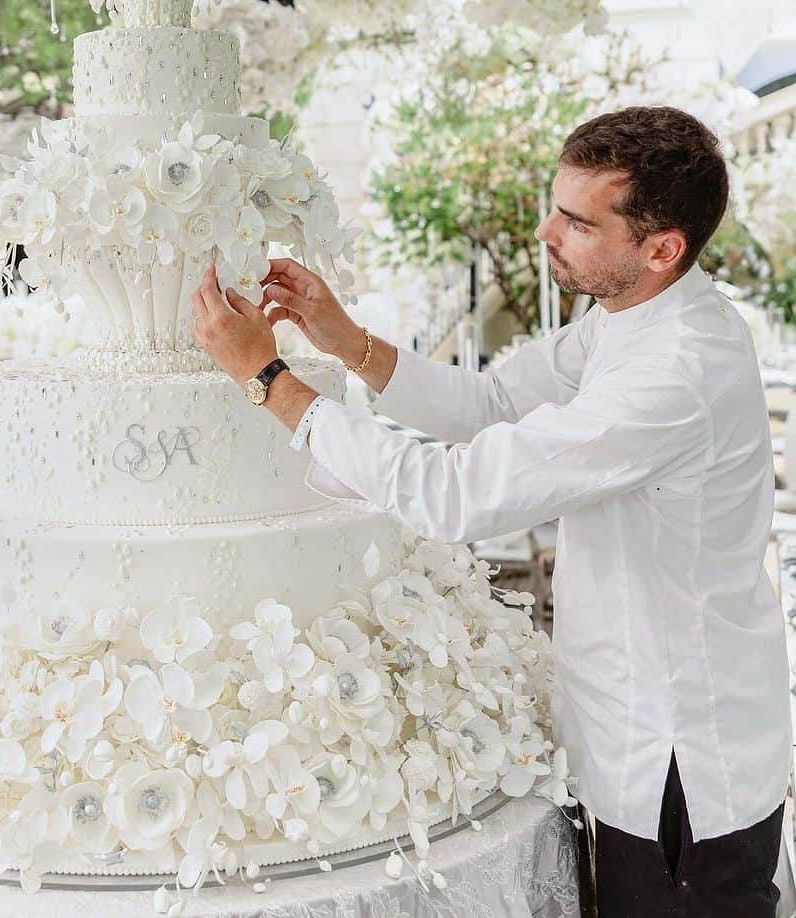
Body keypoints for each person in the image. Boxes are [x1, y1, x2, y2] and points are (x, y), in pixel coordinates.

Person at [192, 104, 792, 917]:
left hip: (678, 761)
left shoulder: (678, 370)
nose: (547, 230)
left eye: (578, 222)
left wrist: (269, 382)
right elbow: (496, 399)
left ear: (660, 249)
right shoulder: (632, 315)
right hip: (625, 733)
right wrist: (344, 341)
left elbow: (458, 493)